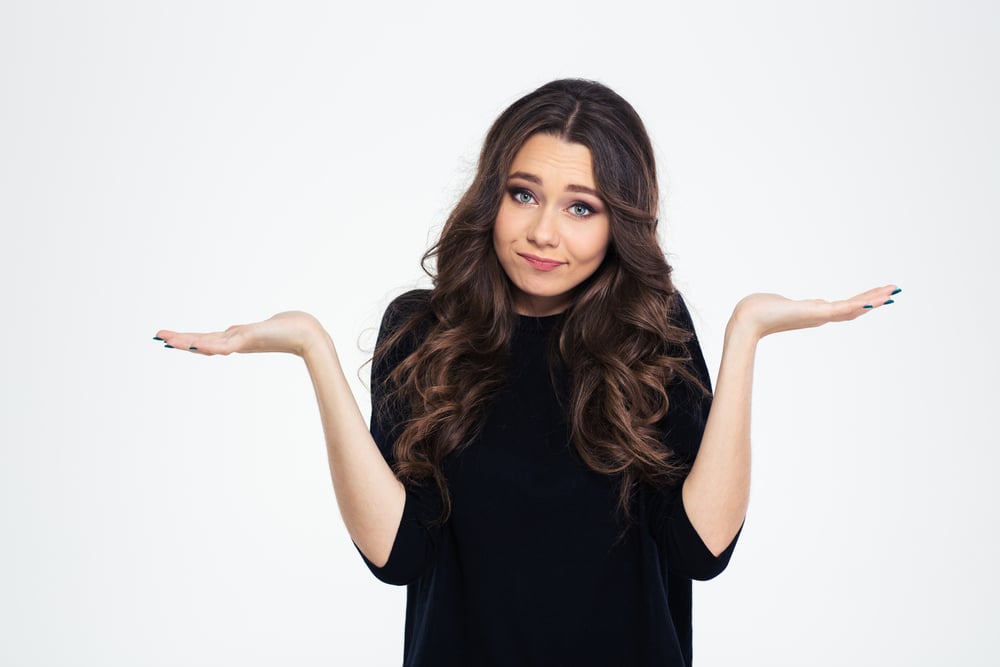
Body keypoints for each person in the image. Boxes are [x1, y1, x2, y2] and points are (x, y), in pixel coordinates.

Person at [155, 79, 898, 666]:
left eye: (582, 207)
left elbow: (700, 552)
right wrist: (313, 350)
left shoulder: (652, 330)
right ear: (492, 196)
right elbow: (399, 555)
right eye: (524, 194)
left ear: (620, 225)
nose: (545, 231)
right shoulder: (422, 330)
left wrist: (746, 335)